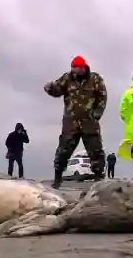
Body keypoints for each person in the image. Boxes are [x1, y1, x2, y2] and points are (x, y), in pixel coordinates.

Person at [44, 56, 107, 189]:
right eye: (74, 68)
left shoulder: (95, 79)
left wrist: (97, 114)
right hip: (70, 122)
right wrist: (49, 88)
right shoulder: (67, 78)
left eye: (79, 68)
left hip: (89, 122)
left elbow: (102, 96)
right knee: (63, 151)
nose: (76, 70)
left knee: (96, 151)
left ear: (84, 67)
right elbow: (57, 90)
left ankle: (99, 179)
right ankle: (57, 179)